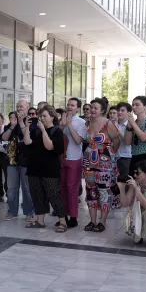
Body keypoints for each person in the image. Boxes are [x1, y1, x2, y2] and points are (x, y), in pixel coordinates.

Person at [68, 98, 120, 232]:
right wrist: (69, 125)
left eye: (96, 108)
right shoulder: (87, 123)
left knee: (104, 191)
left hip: (105, 163)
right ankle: (92, 221)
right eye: (91, 107)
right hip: (89, 162)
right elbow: (78, 140)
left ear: (102, 110)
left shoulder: (108, 123)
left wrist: (110, 154)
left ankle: (102, 222)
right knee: (91, 191)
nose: (92, 110)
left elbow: (116, 140)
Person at [24, 105, 66, 231]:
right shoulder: (35, 130)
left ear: (52, 117)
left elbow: (50, 147)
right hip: (34, 168)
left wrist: (43, 131)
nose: (42, 118)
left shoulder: (57, 131)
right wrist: (27, 127)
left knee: (54, 195)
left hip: (50, 169)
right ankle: (40, 221)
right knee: (37, 195)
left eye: (44, 116)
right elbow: (27, 142)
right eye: (40, 116)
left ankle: (63, 221)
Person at [1, 101, 35, 224]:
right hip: (12, 160)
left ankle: (29, 212)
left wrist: (21, 123)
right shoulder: (11, 123)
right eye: (17, 107)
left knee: (27, 188)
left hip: (26, 160)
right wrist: (12, 126)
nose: (19, 108)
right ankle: (12, 211)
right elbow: (4, 137)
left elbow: (29, 139)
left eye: (21, 106)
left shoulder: (31, 122)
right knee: (11, 188)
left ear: (27, 108)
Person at [59, 98, 86, 229]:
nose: (69, 107)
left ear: (78, 108)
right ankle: (63, 217)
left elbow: (78, 140)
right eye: (68, 105)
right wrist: (62, 125)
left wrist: (69, 124)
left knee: (72, 188)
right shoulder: (62, 119)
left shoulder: (81, 122)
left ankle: (73, 217)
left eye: (73, 105)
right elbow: (57, 137)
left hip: (74, 158)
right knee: (62, 188)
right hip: (62, 158)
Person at [114, 102, 133, 177]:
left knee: (124, 180)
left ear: (128, 113)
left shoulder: (130, 125)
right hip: (114, 156)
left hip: (125, 157)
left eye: (122, 110)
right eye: (118, 110)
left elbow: (127, 141)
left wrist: (117, 129)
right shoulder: (114, 123)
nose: (119, 112)